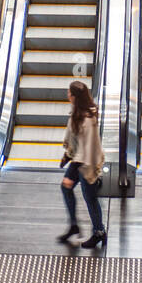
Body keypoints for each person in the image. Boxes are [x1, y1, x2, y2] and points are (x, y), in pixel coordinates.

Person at [58, 80, 106, 248]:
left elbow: (89, 146)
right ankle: (74, 225)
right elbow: (74, 138)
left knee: (90, 198)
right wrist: (67, 155)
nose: (67, 95)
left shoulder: (87, 118)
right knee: (66, 187)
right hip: (78, 158)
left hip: (87, 162)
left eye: (69, 92)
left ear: (75, 96)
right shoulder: (78, 112)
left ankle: (99, 231)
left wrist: (74, 162)